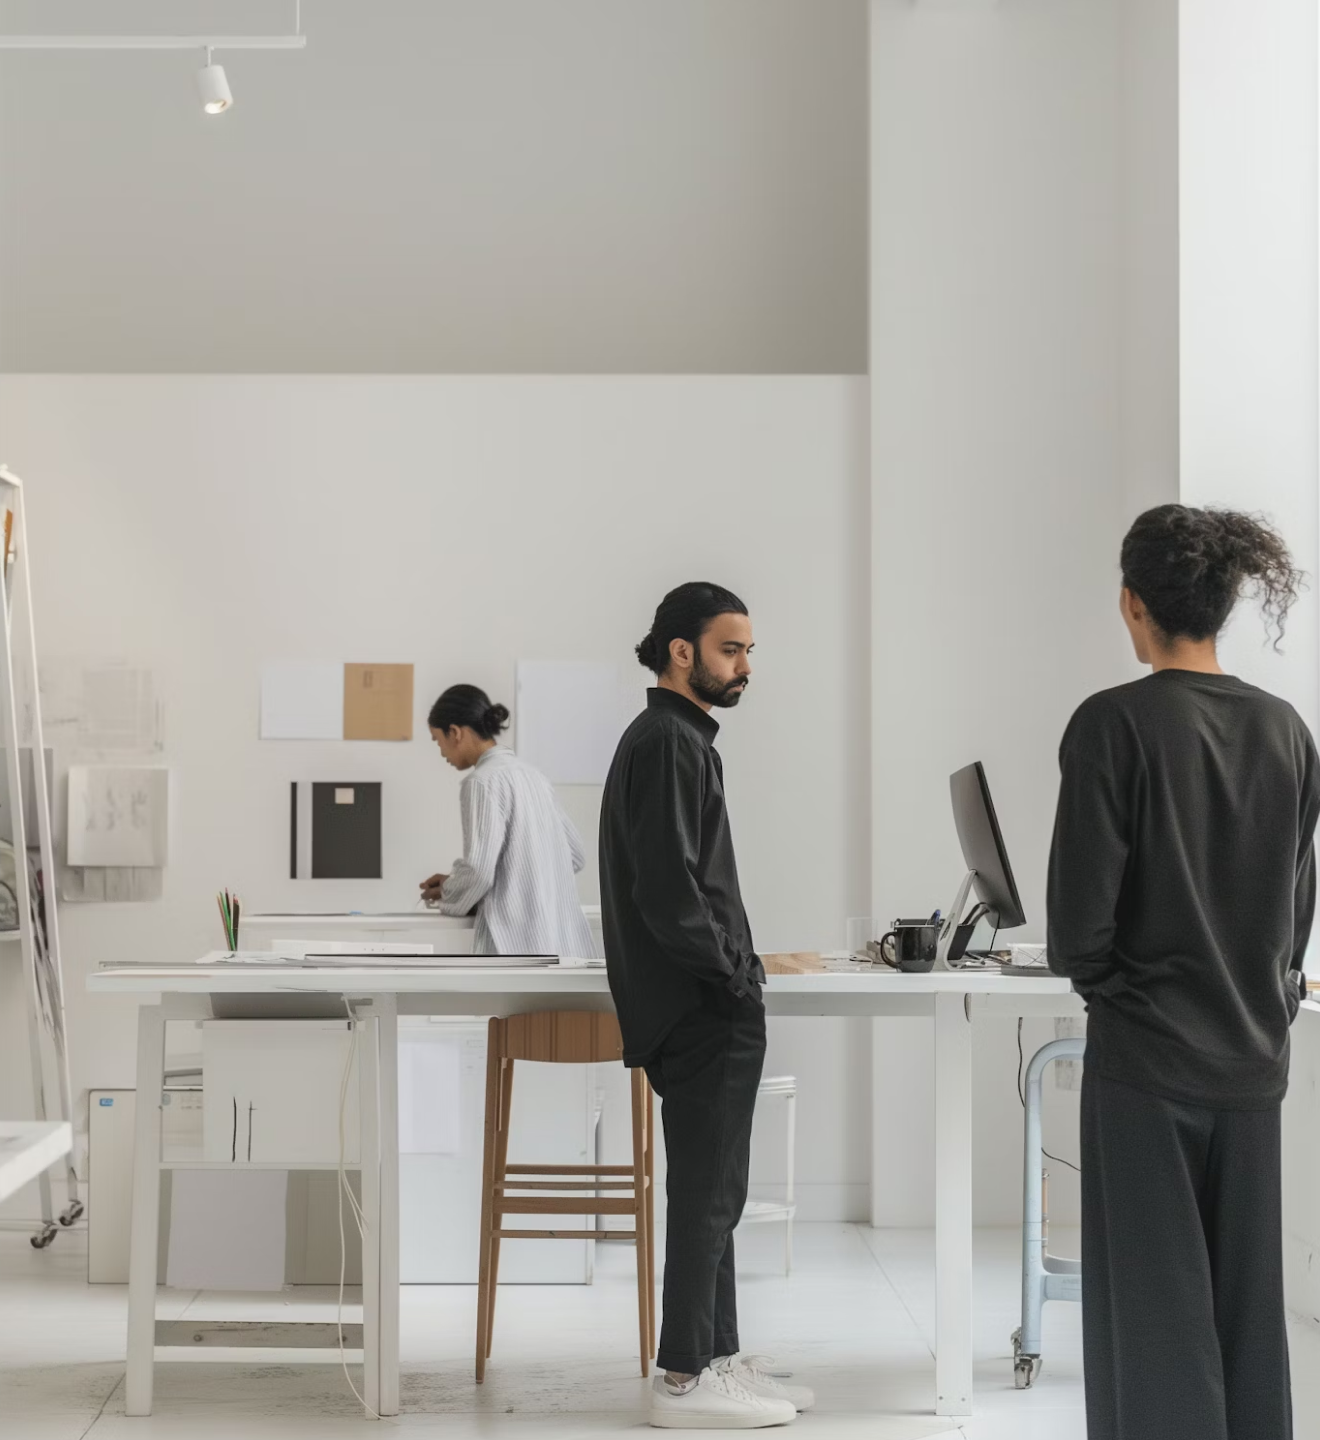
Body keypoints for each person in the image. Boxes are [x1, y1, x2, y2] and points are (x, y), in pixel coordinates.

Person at [1047, 505, 1319, 1440]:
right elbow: (1293, 924)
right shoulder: (1287, 730)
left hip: (1145, 1073)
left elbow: (1077, 938)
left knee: (1154, 1328)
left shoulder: (1109, 726)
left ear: (1132, 604)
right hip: (1253, 1069)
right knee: (1250, 1326)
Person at [600, 582, 810, 1430]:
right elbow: (668, 891)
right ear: (681, 651)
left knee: (715, 1190)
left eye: (750, 651)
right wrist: (735, 974)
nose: (746, 666)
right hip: (698, 1007)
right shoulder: (667, 743)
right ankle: (682, 1378)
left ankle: (715, 1357)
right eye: (733, 649)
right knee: (705, 1195)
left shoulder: (678, 740)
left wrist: (744, 964)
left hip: (700, 999)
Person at [420, 683, 594, 959]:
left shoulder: (481, 782)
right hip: (565, 941)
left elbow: (478, 872)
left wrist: (451, 890)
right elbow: (575, 855)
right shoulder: (534, 776)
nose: (441, 752)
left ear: (455, 732)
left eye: (437, 740)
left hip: (514, 945)